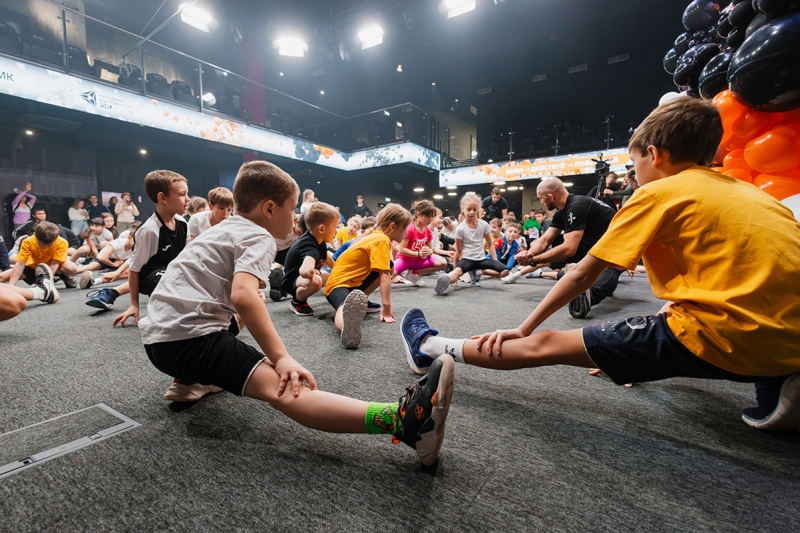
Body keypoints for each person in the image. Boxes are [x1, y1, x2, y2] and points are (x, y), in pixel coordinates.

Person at [401, 96, 800, 433]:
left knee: (545, 343)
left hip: (731, 337)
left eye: (634, 165)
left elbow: (581, 272)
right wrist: (629, 355)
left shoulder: (658, 193)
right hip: (790, 339)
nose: (633, 176)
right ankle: (779, 385)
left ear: (654, 155)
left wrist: (522, 327)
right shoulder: (753, 194)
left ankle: (428, 348)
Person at [138, 160, 454, 466]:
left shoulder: (222, 229)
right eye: (292, 209)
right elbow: (243, 295)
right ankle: (402, 423)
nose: (295, 220)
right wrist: (281, 358)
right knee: (285, 386)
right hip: (187, 340)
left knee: (249, 305)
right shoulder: (257, 235)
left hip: (158, 341)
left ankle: (188, 381)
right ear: (269, 209)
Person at [501, 178, 623, 318]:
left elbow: (568, 249)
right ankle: (517, 275)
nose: (541, 202)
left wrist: (533, 260)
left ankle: (590, 297)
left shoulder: (578, 205)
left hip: (618, 247)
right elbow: (546, 239)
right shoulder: (562, 212)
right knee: (563, 258)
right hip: (595, 246)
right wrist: (529, 254)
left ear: (551, 196)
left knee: (607, 271)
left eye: (542, 198)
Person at [85, 171, 189, 320]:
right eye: (182, 194)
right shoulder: (150, 230)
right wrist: (134, 304)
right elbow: (134, 270)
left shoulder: (182, 223)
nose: (187, 199)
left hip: (170, 271)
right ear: (162, 197)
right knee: (174, 285)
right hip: (150, 276)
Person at [325, 204, 412, 349]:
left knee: (388, 267)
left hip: (352, 284)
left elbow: (387, 269)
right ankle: (346, 325)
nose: (406, 233)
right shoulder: (381, 239)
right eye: (405, 229)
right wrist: (386, 307)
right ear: (392, 227)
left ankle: (359, 301)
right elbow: (384, 275)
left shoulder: (375, 236)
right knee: (342, 306)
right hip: (338, 285)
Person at [435, 192, 509, 294]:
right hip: (467, 259)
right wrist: (456, 275)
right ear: (463, 209)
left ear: (478, 209)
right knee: (457, 272)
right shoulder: (460, 228)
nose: (471, 212)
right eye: (469, 209)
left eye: (474, 209)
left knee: (505, 271)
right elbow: (458, 251)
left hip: (481, 259)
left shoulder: (484, 225)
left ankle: (478, 272)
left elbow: (490, 245)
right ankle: (446, 279)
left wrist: (495, 262)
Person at [279, 202, 337, 317]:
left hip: (300, 278)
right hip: (292, 281)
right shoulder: (311, 248)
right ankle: (297, 301)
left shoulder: (318, 239)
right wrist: (313, 271)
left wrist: (337, 270)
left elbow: (326, 258)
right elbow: (305, 272)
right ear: (321, 229)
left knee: (331, 276)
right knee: (316, 281)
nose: (336, 231)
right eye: (335, 227)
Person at [0, 221, 76, 299]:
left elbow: (54, 263)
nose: (46, 247)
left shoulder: (62, 242)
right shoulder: (28, 242)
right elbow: (20, 264)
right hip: (34, 267)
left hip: (55, 268)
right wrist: (11, 287)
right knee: (2, 276)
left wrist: (46, 282)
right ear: (35, 236)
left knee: (71, 267)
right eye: (42, 244)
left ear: (56, 237)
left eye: (49, 245)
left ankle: (65, 277)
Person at [392, 200, 448, 287]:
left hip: (419, 261)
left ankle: (414, 273)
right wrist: (418, 253)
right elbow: (401, 249)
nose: (430, 219)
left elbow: (430, 250)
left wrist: (428, 251)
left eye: (432, 217)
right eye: (427, 216)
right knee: (387, 276)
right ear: (418, 214)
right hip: (405, 260)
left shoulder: (428, 230)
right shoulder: (410, 228)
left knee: (443, 263)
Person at [77, 224, 138, 289]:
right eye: (136, 241)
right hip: (106, 259)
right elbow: (103, 258)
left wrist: (116, 272)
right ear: (129, 238)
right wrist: (114, 265)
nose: (138, 243)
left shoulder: (138, 247)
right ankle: (68, 272)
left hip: (120, 261)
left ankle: (93, 282)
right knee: (91, 267)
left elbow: (129, 261)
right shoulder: (119, 242)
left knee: (127, 273)